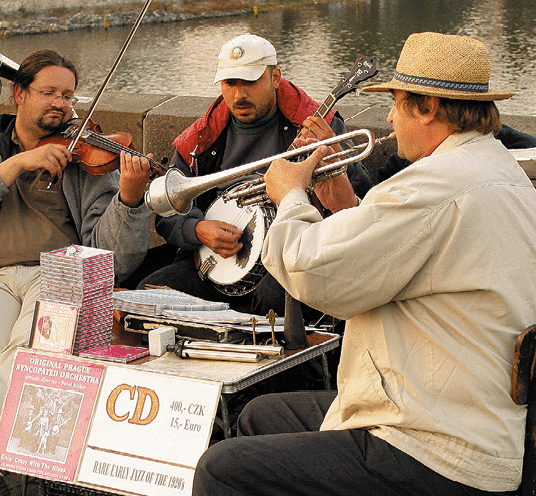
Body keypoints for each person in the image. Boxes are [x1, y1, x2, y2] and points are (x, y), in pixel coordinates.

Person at [114, 32, 536, 496]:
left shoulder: (434, 186)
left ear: (431, 109)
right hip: (458, 411)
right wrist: (339, 204)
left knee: (227, 476)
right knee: (260, 418)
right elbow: (387, 261)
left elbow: (323, 278)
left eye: (398, 109)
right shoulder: (495, 174)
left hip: (432, 440)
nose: (387, 128)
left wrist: (290, 199)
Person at [0, 50, 153, 496]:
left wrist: (131, 200)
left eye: (68, 95)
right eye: (49, 93)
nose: (61, 105)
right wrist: (13, 166)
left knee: (20, 356)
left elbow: (117, 258)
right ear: (20, 95)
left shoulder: (86, 159)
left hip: (58, 274)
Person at [139, 33, 367, 314]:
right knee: (147, 296)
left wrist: (336, 157)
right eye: (230, 83)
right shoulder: (201, 138)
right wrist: (197, 230)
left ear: (275, 78)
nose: (239, 94)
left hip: (287, 261)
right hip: (214, 262)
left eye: (250, 81)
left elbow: (361, 197)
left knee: (275, 302)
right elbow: (168, 206)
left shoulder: (319, 125)